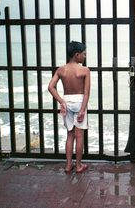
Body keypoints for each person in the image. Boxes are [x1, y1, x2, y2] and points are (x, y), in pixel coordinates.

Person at [48, 41, 91, 174]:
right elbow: (86, 92)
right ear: (77, 55)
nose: (84, 56)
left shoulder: (61, 70)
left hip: (66, 101)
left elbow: (50, 87)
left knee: (70, 135)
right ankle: (78, 166)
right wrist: (83, 109)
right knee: (79, 135)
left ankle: (68, 165)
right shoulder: (84, 70)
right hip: (79, 101)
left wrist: (61, 101)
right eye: (83, 54)